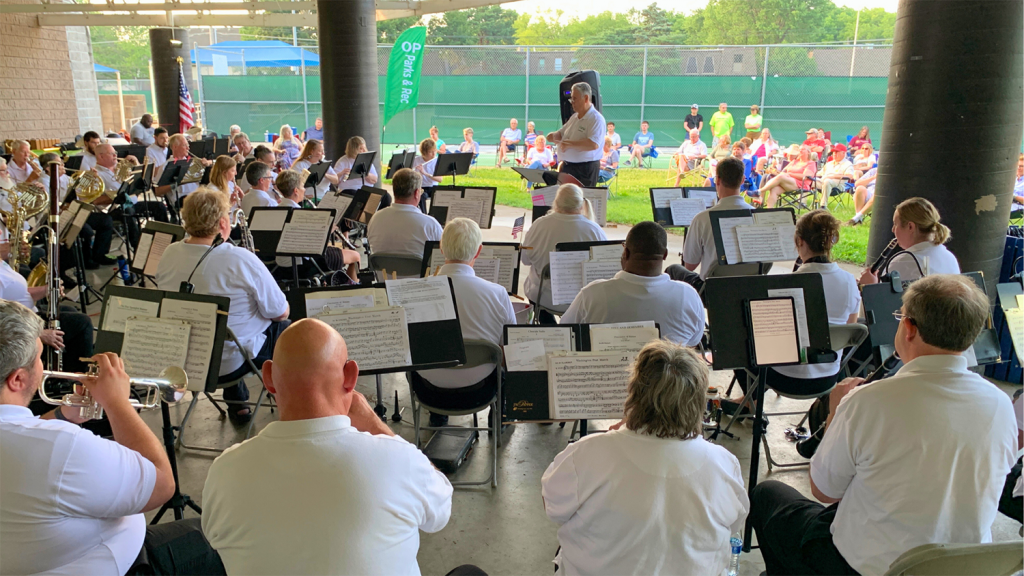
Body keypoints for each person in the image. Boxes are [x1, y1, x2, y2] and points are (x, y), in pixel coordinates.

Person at [749, 274, 1017, 576]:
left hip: (866, 567)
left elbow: (824, 491)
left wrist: (836, 412)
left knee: (767, 495)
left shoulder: (869, 401)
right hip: (958, 565)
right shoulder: (1000, 405)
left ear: (909, 329)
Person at [201, 318, 458, 576]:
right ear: (351, 376)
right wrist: (376, 425)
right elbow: (440, 511)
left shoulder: (224, 472)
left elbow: (215, 539)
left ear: (268, 378)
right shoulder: (399, 460)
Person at [0, 300, 225, 576]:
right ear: (18, 380)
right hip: (116, 564)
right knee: (221, 537)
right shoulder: (60, 446)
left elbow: (15, 434)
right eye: (38, 356)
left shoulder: (37, 440)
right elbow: (163, 485)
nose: (42, 364)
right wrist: (117, 403)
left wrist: (63, 414)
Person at [542, 340, 749, 576]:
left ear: (635, 393)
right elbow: (733, 525)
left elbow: (552, 506)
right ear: (698, 402)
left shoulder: (587, 453)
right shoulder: (723, 463)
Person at [156, 188, 289, 423]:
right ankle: (292, 403)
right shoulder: (238, 258)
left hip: (187, 361)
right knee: (286, 328)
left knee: (222, 330)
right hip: (231, 364)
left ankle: (238, 406)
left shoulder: (168, 253)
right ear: (222, 222)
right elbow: (279, 312)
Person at [722, 210, 861, 415]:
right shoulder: (850, 282)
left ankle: (752, 401)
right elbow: (850, 330)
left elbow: (767, 338)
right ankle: (749, 400)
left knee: (741, 338)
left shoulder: (787, 285)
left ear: (799, 241)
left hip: (785, 378)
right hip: (828, 378)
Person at [413, 218, 516, 427]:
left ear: (441, 248)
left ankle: (437, 415)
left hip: (427, 390)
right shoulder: (498, 294)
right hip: (479, 391)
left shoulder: (414, 292)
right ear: (478, 252)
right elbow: (511, 350)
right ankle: (501, 417)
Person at [562, 222, 703, 346]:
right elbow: (694, 340)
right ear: (665, 254)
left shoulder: (591, 294)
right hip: (667, 376)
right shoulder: (688, 295)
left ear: (626, 252)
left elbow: (565, 333)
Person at [521, 184, 606, 323]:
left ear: (555, 202)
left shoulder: (539, 224)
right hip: (583, 299)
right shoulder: (594, 230)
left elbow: (525, 260)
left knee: (534, 284)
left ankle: (549, 327)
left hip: (544, 297)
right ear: (581, 204)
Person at [667, 157, 752, 292]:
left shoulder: (702, 218)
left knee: (673, 270)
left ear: (717, 180)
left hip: (712, 290)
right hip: (750, 286)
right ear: (742, 180)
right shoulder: (757, 216)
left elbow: (690, 265)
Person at [274, 170, 359, 281]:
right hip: (304, 264)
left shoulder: (276, 210)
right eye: (302, 187)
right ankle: (353, 287)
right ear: (296, 191)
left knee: (335, 250)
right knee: (355, 256)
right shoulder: (299, 214)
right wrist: (328, 231)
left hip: (281, 263)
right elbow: (312, 245)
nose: (304, 189)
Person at [859, 197, 960, 284]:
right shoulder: (949, 257)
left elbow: (885, 304)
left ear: (910, 227)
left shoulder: (903, 262)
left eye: (895, 224)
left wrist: (868, 287)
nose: (893, 229)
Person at [367, 168, 442, 258]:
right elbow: (443, 253)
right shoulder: (430, 224)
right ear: (417, 193)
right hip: (419, 272)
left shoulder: (376, 218)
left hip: (382, 271)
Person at [547, 82, 606, 187]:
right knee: (566, 200)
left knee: (581, 201)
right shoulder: (574, 117)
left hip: (585, 170)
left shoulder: (596, 119)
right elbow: (561, 133)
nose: (572, 102)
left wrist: (569, 144)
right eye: (571, 99)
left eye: (575, 99)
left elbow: (593, 144)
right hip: (568, 166)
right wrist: (554, 136)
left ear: (586, 98)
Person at [759, 144, 816, 208]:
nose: (800, 151)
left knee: (781, 177)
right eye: (799, 150)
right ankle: (768, 211)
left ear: (808, 152)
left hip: (800, 184)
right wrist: (775, 170)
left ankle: (760, 191)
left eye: (802, 149)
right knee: (774, 189)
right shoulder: (795, 161)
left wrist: (789, 174)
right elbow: (783, 171)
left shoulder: (810, 163)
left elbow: (805, 176)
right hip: (787, 182)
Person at [816, 143, 854, 209]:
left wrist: (833, 176)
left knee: (827, 181)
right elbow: (819, 173)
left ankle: (823, 206)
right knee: (810, 180)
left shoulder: (848, 164)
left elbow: (850, 176)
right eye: (833, 152)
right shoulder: (829, 164)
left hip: (838, 186)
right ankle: (803, 203)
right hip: (823, 182)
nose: (834, 154)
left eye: (837, 152)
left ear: (843, 153)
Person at [413, 138, 442, 212]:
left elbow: (440, 179)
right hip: (420, 186)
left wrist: (425, 173)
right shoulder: (416, 160)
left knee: (441, 195)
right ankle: (424, 215)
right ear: (424, 153)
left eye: (434, 151)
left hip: (433, 186)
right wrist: (415, 172)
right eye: (430, 152)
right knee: (421, 196)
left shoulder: (436, 161)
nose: (434, 154)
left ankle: (434, 215)